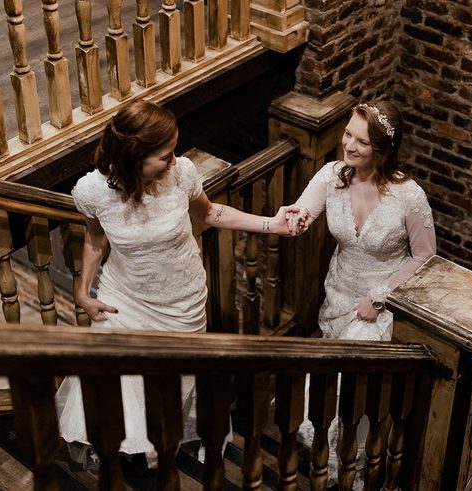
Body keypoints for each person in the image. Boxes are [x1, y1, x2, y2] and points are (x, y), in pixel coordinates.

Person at [55, 99, 299, 464]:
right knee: (112, 374)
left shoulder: (181, 174)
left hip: (181, 299)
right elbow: (95, 238)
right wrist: (82, 290)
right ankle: (134, 446)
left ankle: (170, 438)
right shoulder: (92, 192)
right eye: (164, 155)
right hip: (124, 297)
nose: (174, 161)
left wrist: (272, 224)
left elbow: (211, 213)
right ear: (134, 156)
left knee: (175, 379)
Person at [291, 100, 437, 341]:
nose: (349, 146)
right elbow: (301, 210)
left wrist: (379, 298)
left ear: (383, 150)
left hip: (385, 298)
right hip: (339, 291)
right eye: (348, 134)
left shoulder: (410, 196)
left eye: (362, 142)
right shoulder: (331, 175)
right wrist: (296, 218)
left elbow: (425, 256)